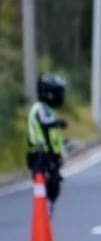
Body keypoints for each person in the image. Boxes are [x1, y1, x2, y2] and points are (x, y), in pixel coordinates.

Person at [27, 74, 69, 216]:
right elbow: (45, 123)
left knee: (53, 188)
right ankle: (43, 217)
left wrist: (61, 149)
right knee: (46, 188)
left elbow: (52, 136)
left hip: (48, 156)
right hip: (41, 156)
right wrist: (58, 122)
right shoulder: (40, 108)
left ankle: (46, 216)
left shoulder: (46, 109)